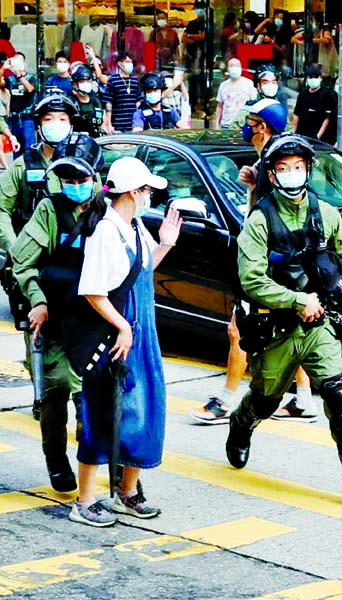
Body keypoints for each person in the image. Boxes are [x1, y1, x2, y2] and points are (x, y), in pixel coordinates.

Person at [225, 134, 342, 506]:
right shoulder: (259, 221)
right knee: (266, 401)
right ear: (273, 174)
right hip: (274, 328)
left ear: (308, 170)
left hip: (318, 326)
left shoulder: (326, 213)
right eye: (283, 169)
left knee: (340, 396)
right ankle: (241, 422)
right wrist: (296, 301)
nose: (292, 175)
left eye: (298, 167)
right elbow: (251, 279)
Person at [71, 157, 182, 526]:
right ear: (134, 192)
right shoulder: (106, 231)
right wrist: (123, 327)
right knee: (101, 414)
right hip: (115, 339)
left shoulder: (132, 227)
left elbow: (142, 267)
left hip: (138, 335)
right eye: (148, 190)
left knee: (143, 412)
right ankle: (84, 501)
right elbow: (93, 291)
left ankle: (126, 492)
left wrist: (165, 244)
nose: (150, 196)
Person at [192, 100, 317, 424]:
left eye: (251, 122)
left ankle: (227, 399)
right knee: (294, 330)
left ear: (263, 126)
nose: (247, 128)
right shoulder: (272, 161)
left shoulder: (272, 164)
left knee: (239, 330)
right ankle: (303, 400)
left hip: (264, 265)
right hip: (286, 265)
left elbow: (266, 218)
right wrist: (252, 185)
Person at [10, 133, 102, 492]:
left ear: (95, 177)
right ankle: (56, 461)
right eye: (68, 180)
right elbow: (21, 259)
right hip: (58, 317)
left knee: (95, 394)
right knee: (57, 387)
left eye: (82, 179)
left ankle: (92, 455)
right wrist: (38, 300)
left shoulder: (107, 209)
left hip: (96, 319)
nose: (76, 187)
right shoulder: (49, 209)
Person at [0, 94, 77, 256]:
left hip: (74, 256)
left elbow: (99, 208)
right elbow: (1, 208)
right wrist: (14, 248)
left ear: (71, 126)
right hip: (32, 256)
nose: (56, 125)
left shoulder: (84, 165)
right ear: (38, 126)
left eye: (63, 119)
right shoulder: (22, 166)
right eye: (48, 119)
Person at [292, 64, 337, 145]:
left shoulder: (327, 94)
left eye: (315, 77)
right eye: (310, 77)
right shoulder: (303, 94)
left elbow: (327, 118)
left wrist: (318, 136)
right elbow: (296, 114)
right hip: (301, 135)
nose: (313, 79)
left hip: (317, 137)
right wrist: (294, 133)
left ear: (320, 78)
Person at [2, 53, 37, 151]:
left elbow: (30, 89)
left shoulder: (31, 77)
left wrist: (20, 76)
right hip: (14, 119)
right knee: (16, 148)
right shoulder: (10, 79)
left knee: (29, 148)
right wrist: (4, 68)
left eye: (20, 60)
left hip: (27, 118)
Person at [101, 53, 142, 135]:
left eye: (131, 62)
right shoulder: (113, 80)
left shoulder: (134, 80)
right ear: (120, 64)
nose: (130, 64)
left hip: (133, 125)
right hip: (117, 126)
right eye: (127, 62)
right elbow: (108, 103)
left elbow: (139, 100)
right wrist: (109, 123)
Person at [215, 58, 258, 130]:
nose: (235, 67)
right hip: (226, 125)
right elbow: (219, 106)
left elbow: (254, 104)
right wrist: (217, 124)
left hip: (243, 124)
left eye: (237, 65)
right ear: (228, 69)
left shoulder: (248, 83)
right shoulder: (223, 85)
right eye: (232, 65)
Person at [69, 65, 104, 138]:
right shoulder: (70, 102)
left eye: (88, 81)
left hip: (95, 139)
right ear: (75, 84)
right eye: (82, 81)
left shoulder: (95, 100)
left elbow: (102, 123)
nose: (86, 84)